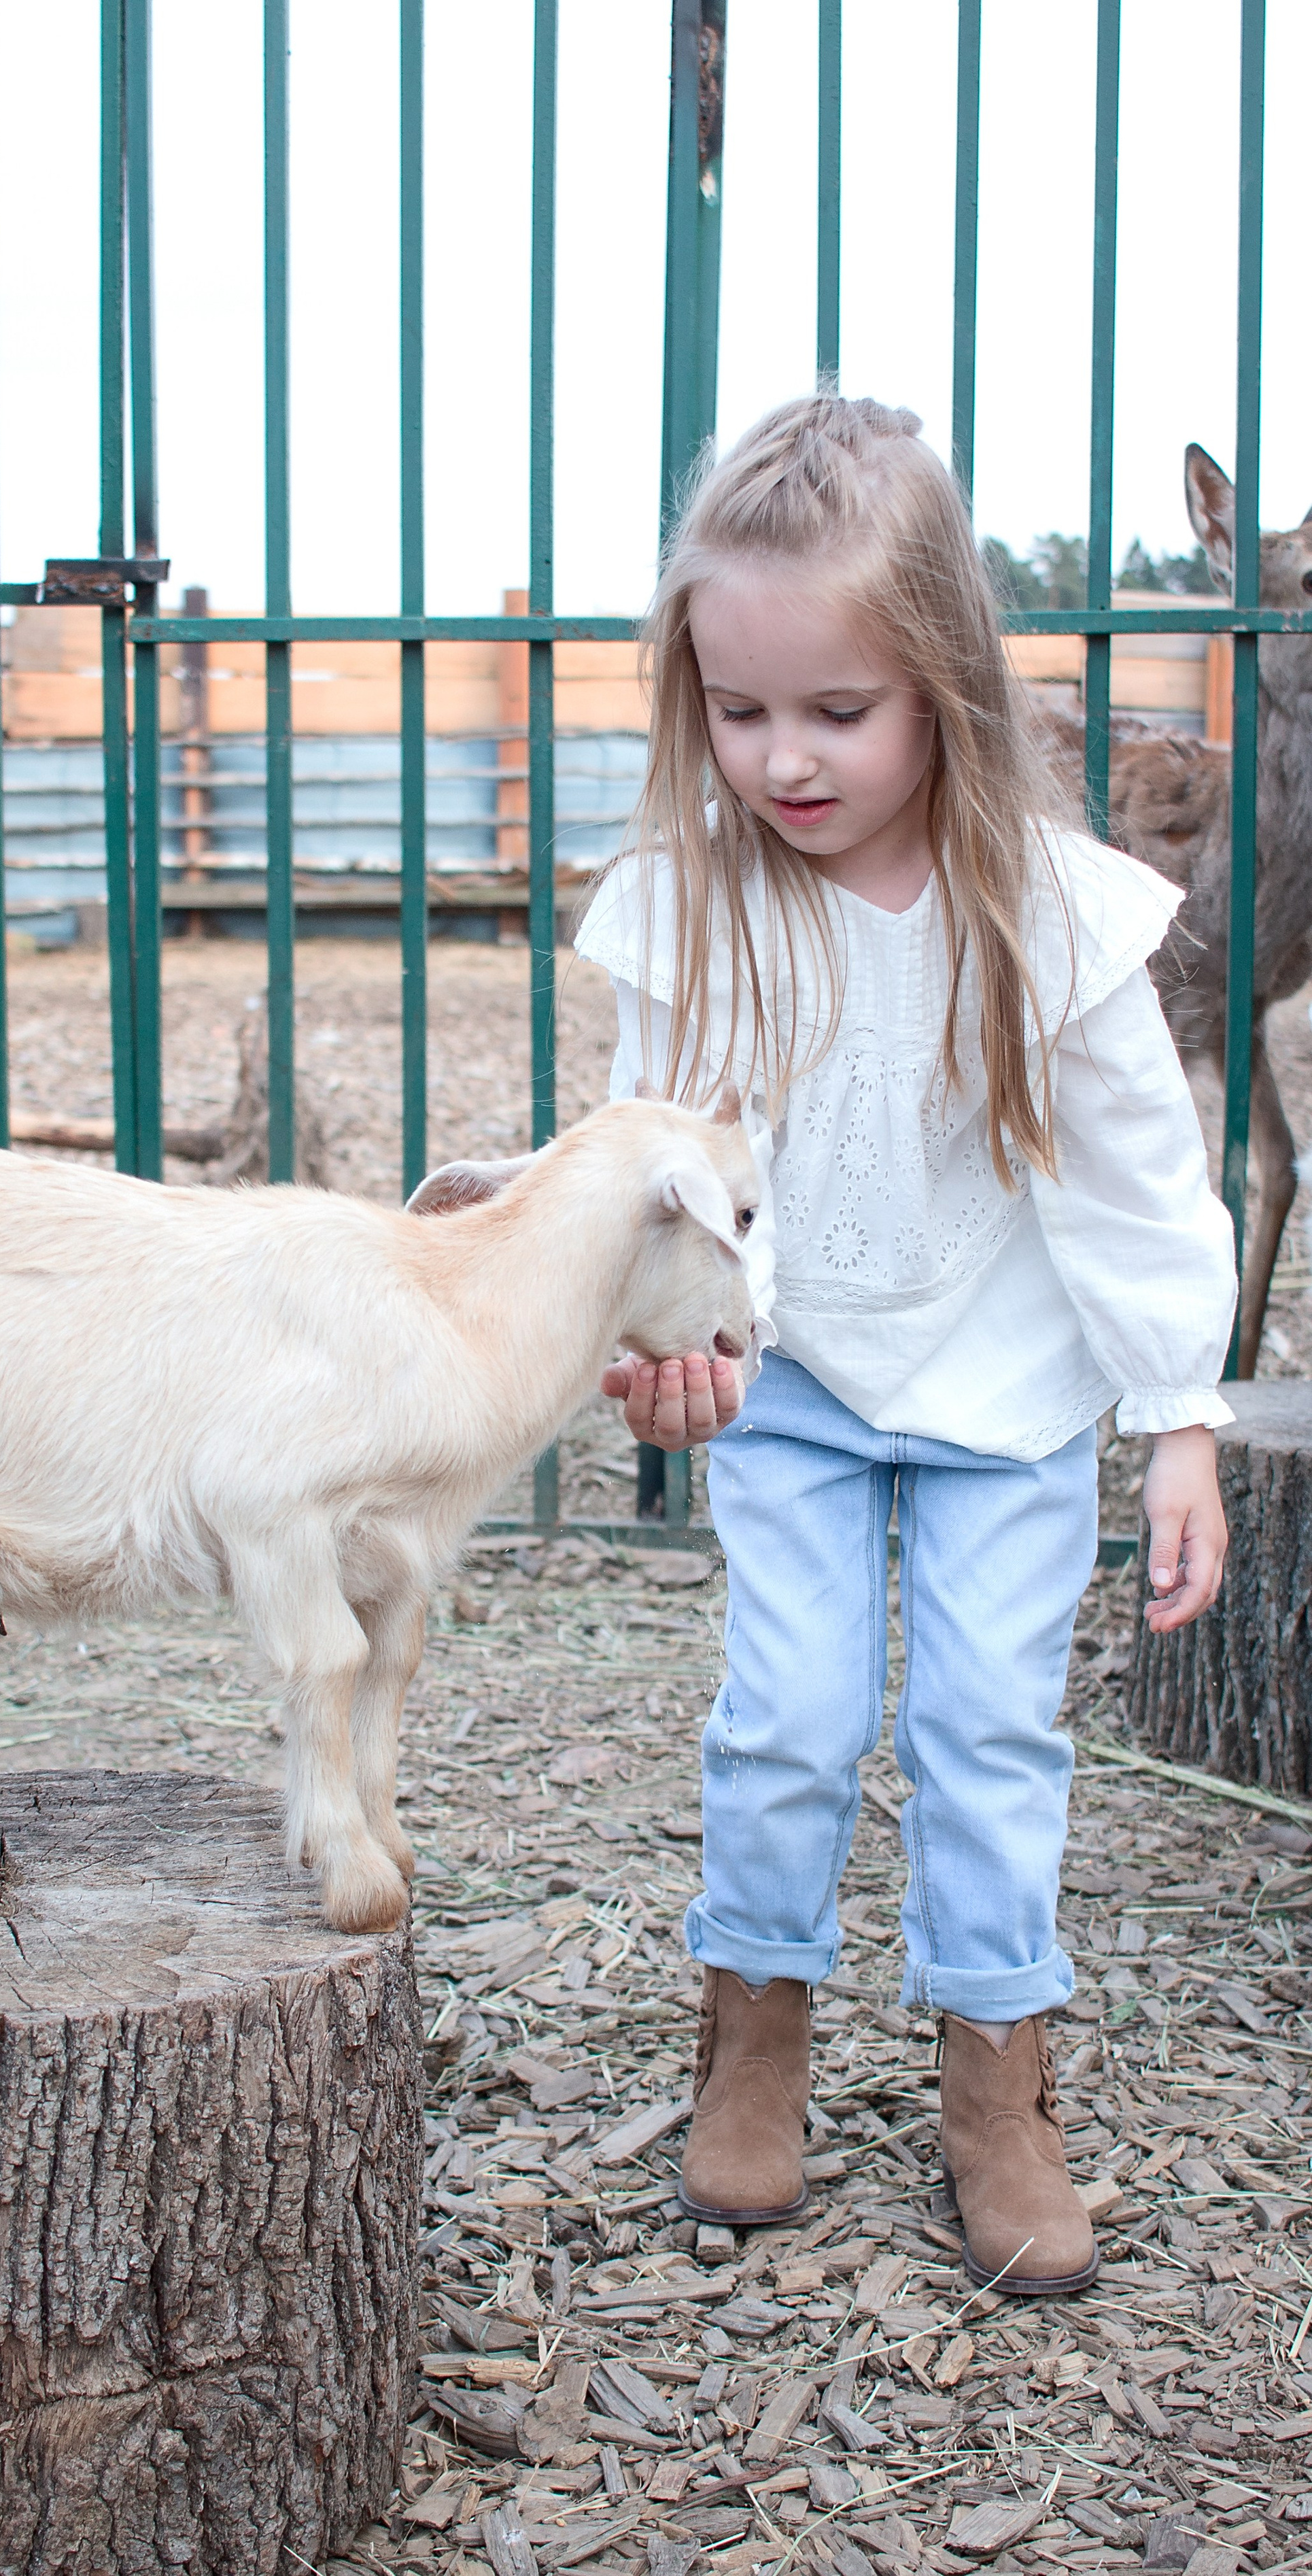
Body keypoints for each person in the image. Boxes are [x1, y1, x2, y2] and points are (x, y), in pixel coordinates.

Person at [574, 394, 1235, 2296]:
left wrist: (1176, 1416)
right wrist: (658, 1337)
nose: (782, 758)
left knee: (982, 1730)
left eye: (835, 712)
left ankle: (994, 2080)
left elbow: (1133, 1179)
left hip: (1008, 1399)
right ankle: (754, 2032)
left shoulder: (1045, 907)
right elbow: (658, 1169)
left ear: (943, 676)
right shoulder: (695, 908)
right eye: (739, 708)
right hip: (794, 1391)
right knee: (788, 1714)